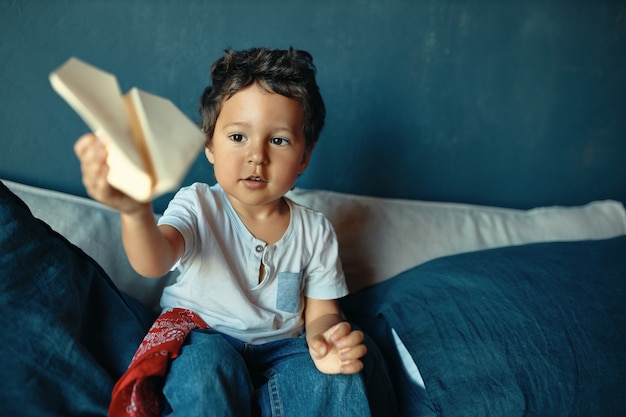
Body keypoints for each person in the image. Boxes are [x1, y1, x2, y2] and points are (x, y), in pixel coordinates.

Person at [74, 47, 395, 416]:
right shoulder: (198, 204)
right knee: (204, 373)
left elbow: (322, 313)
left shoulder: (315, 230)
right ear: (209, 143)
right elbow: (154, 260)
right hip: (206, 337)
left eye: (278, 140)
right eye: (238, 137)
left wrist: (326, 341)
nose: (257, 155)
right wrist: (134, 210)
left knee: (338, 377)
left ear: (304, 156)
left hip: (283, 349)